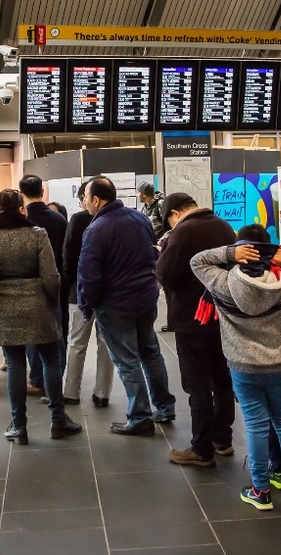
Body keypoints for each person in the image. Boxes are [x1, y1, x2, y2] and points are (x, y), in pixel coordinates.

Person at [191, 227, 281, 512]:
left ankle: (260, 490)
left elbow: (197, 261)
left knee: (255, 425)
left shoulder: (223, 282)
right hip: (280, 363)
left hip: (243, 366)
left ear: (241, 249)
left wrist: (229, 253)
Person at [77, 177, 176, 436]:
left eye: (86, 197)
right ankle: (165, 407)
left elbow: (89, 274)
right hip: (145, 297)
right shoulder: (138, 219)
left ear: (96, 200)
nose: (85, 202)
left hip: (115, 304)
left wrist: (88, 305)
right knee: (150, 352)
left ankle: (140, 416)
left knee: (127, 360)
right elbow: (152, 253)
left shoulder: (96, 229)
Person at [0, 189, 82, 444]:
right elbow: (51, 274)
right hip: (37, 303)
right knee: (50, 360)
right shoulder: (37, 234)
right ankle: (58, 420)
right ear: (21, 208)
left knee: (15, 363)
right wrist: (51, 298)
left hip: (2, 305)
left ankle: (19, 426)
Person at [155, 193, 236, 467]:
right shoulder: (223, 226)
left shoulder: (183, 232)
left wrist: (163, 252)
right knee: (223, 378)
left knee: (197, 384)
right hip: (222, 314)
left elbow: (166, 274)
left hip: (191, 318)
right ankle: (222, 439)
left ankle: (201, 449)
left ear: (175, 213)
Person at [62, 180, 114, 407]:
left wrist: (69, 284)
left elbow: (68, 256)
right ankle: (102, 393)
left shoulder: (78, 220)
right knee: (106, 344)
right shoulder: (116, 221)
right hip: (110, 292)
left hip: (80, 290)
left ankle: (71, 392)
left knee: (76, 343)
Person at [19, 174, 68, 395]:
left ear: (22, 194)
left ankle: (37, 379)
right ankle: (57, 376)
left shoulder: (21, 221)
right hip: (57, 282)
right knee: (58, 331)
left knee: (31, 333)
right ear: (42, 192)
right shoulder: (59, 220)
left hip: (29, 284)